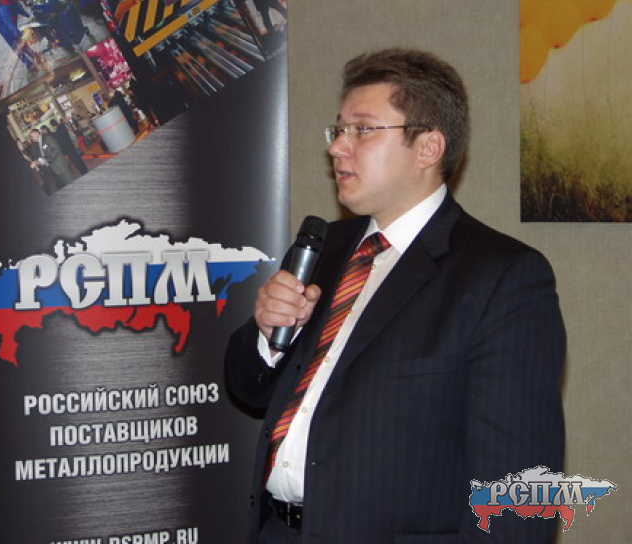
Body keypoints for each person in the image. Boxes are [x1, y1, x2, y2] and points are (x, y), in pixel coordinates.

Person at [225, 48, 565, 543]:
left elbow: (519, 496)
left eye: (362, 130)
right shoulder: (323, 249)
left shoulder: (502, 277)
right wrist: (267, 336)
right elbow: (247, 389)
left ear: (428, 148)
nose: (337, 147)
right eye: (338, 129)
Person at [0, 0, 37, 72]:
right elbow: (8, 22)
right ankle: (29, 64)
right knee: (16, 45)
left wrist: (29, 15)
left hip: (11, 23)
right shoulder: (4, 5)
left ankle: (32, 54)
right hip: (3, 27)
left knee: (21, 41)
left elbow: (18, 9)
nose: (18, 0)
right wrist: (16, 32)